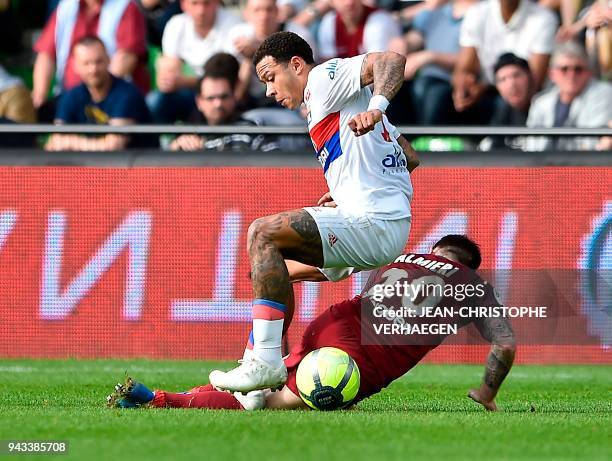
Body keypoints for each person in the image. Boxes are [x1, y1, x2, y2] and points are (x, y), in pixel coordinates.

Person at [204, 31, 419, 394]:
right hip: (376, 221)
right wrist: (349, 188)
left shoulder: (322, 80)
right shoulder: (334, 106)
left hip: (372, 222)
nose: (270, 91)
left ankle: (266, 363)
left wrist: (378, 107)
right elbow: (410, 158)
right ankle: (256, 384)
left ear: (298, 65)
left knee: (261, 232)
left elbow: (392, 59)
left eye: (271, 77)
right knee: (270, 270)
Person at [107, 235, 516, 412]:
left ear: (434, 250)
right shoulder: (473, 286)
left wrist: (278, 273)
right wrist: (486, 391)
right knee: (267, 405)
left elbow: (325, 268)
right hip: (354, 359)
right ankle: (159, 397)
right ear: (468, 266)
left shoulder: (401, 256)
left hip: (331, 324)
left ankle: (253, 364)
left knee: (263, 386)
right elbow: (504, 345)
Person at [33, 0, 149, 122]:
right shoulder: (65, 8)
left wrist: (96, 92)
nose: (92, 68)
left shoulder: (126, 6)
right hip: (70, 96)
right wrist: (40, 95)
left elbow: (127, 58)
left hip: (112, 99)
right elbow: (46, 55)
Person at [451, 0, 557, 123]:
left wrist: (485, 88)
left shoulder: (544, 18)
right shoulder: (476, 13)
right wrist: (463, 89)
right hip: (486, 92)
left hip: (523, 96)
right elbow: (463, 69)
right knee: (440, 95)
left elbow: (533, 84)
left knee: (513, 98)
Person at [46, 36, 153, 151]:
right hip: (91, 165)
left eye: (99, 61)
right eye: (86, 63)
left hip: (139, 166)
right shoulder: (71, 95)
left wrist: (70, 143)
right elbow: (55, 140)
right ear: (75, 66)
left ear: (108, 59)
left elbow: (114, 146)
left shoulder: (127, 94)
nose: (93, 69)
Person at [147, 0, 242, 123]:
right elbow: (169, 71)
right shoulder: (175, 24)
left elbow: (226, 78)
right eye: (195, 3)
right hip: (192, 96)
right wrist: (167, 80)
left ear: (217, 3)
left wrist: (182, 81)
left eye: (206, 4)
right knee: (156, 100)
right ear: (183, 4)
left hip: (224, 95)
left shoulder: (234, 24)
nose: (201, 11)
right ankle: (174, 140)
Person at [168, 54, 278, 152]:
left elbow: (277, 165)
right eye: (210, 98)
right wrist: (177, 146)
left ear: (234, 96)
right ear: (199, 102)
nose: (218, 104)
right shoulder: (186, 132)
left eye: (224, 97)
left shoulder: (251, 130)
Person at [227, 0, 316, 108]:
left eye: (269, 10)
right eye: (257, 10)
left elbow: (309, 73)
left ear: (278, 11)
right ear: (246, 14)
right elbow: (236, 95)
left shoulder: (297, 34)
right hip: (252, 100)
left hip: (295, 99)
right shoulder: (238, 35)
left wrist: (258, 50)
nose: (264, 16)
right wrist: (249, 59)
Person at [526, 41, 612, 151]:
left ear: (589, 73)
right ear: (552, 74)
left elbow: (592, 144)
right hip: (543, 165)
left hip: (583, 165)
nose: (571, 75)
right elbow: (531, 145)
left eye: (578, 69)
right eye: (564, 69)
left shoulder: (603, 93)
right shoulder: (541, 102)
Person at [479, 53, 533, 151]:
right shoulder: (501, 111)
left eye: (516, 75)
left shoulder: (546, 105)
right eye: (503, 79)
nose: (511, 84)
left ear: (529, 76)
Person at [317, 0, 401, 61]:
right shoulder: (329, 22)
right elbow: (327, 65)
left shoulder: (379, 21)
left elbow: (376, 70)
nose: (349, 2)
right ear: (331, 2)